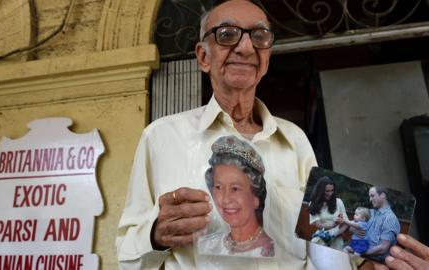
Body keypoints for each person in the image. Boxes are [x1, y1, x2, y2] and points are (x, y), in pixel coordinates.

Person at [116, 0, 429, 269]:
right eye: (227, 35)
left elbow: (324, 246)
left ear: (266, 57)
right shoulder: (161, 136)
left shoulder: (293, 139)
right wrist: (155, 234)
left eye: (260, 36)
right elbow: (125, 256)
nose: (246, 46)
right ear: (203, 56)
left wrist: (376, 261)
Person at [198, 135, 274, 257]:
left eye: (235, 189)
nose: (225, 199)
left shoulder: (272, 252)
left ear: (256, 197)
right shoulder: (206, 246)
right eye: (218, 187)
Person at [308, 176, 349, 250]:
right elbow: (319, 225)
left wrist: (334, 235)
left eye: (332, 190)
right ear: (320, 191)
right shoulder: (313, 204)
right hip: (321, 236)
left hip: (336, 237)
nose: (330, 193)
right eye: (327, 191)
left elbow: (346, 224)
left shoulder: (338, 202)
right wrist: (334, 223)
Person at [362, 186, 400, 262]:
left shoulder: (390, 218)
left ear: (383, 195)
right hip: (362, 255)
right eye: (369, 196)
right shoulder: (371, 212)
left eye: (372, 196)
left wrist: (362, 252)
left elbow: (383, 248)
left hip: (376, 262)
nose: (370, 200)